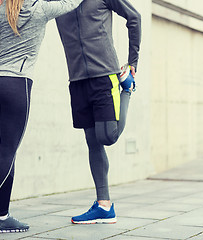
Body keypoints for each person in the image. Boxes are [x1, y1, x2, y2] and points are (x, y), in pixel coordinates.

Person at [0, 0, 84, 233]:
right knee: (7, 154)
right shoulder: (42, 9)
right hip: (16, 85)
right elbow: (72, 2)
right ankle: (1, 217)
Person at [55, 0, 142, 224]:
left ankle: (128, 88)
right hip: (77, 80)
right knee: (93, 142)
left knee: (108, 136)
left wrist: (133, 62)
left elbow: (134, 17)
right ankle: (104, 206)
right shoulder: (56, 2)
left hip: (105, 76)